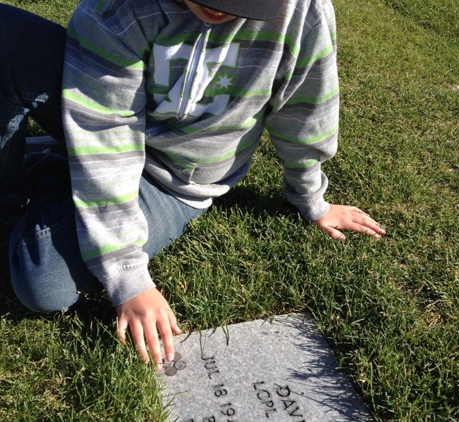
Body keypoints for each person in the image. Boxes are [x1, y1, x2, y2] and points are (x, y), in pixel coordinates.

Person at [0, 0, 385, 370]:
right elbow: (107, 131)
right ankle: (17, 197)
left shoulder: (302, 11)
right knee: (7, 33)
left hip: (173, 180)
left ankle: (51, 167)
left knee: (43, 282)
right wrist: (127, 275)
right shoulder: (117, 9)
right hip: (110, 128)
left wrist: (312, 198)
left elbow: (306, 113)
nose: (221, 7)